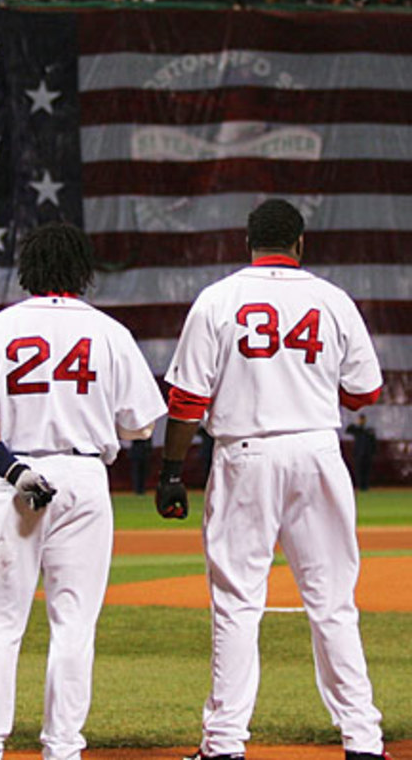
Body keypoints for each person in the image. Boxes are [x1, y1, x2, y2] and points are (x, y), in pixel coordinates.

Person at [155, 199, 389, 760]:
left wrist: (170, 471)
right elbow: (365, 393)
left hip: (246, 454)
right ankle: (363, 741)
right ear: (301, 243)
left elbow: (187, 400)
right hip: (316, 450)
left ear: (248, 243)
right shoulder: (332, 299)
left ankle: (225, 746)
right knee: (333, 601)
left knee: (237, 603)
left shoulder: (219, 298)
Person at [0, 221, 166, 760]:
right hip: (85, 478)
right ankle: (63, 746)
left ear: (28, 270)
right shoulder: (109, 332)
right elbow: (140, 425)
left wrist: (14, 469)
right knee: (74, 622)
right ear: (81, 271)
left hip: (14, 477)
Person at [345, 414, 378, 491]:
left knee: (366, 471)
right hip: (358, 454)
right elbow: (348, 430)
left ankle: (365, 486)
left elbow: (373, 443)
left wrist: (373, 453)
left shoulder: (368, 431)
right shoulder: (357, 430)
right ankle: (360, 486)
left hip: (367, 454)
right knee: (359, 471)